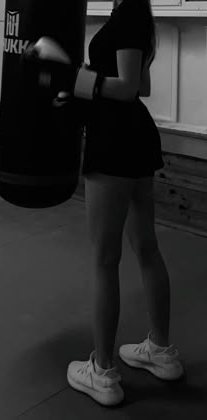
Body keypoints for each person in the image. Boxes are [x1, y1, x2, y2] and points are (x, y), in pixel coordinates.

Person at [31, 0, 184, 407]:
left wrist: (76, 79)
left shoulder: (130, 9)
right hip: (133, 139)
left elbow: (127, 88)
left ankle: (102, 372)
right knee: (146, 247)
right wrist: (78, 90)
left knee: (104, 258)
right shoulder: (135, 11)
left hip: (114, 145)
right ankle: (161, 352)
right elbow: (140, 86)